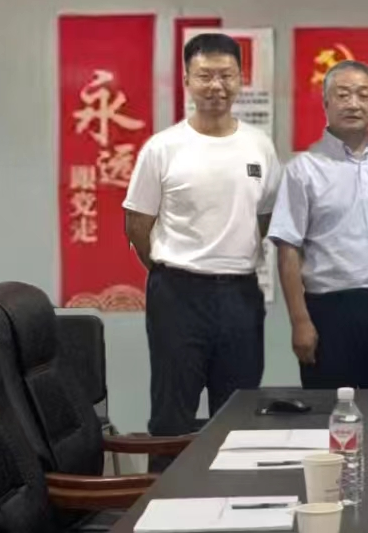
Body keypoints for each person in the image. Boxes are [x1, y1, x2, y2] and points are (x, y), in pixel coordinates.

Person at [124, 33, 280, 464]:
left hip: (241, 294)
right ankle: (163, 498)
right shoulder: (163, 147)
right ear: (187, 81)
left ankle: (236, 497)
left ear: (240, 79)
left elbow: (265, 218)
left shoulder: (259, 145)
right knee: (172, 413)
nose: (216, 86)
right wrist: (171, 268)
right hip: (177, 294)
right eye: (205, 75)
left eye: (226, 75)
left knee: (239, 412)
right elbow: (137, 224)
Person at [268, 60, 368, 389]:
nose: (354, 104)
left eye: (363, 95)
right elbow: (288, 250)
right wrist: (299, 320)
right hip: (330, 313)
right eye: (343, 95)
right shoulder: (303, 169)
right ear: (326, 103)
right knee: (329, 411)